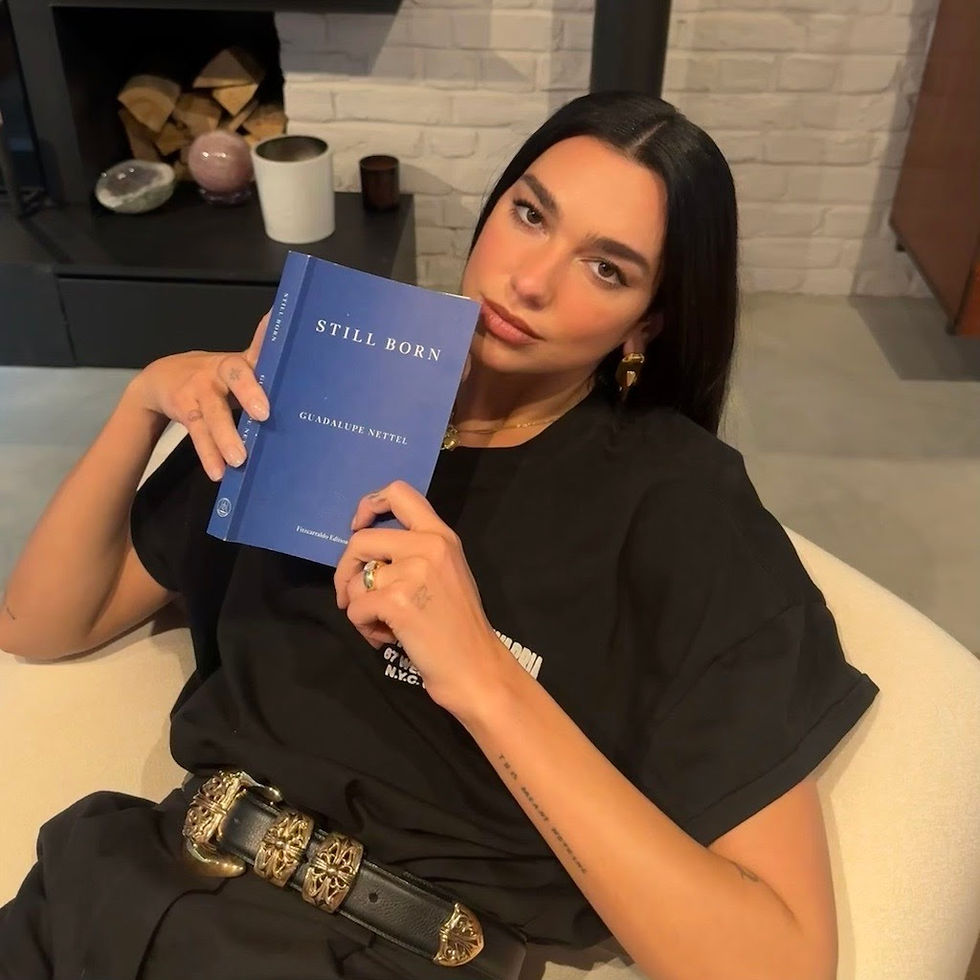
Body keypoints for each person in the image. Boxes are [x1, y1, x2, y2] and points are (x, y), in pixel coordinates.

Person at [0, 91, 877, 980]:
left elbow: (778, 961)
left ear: (647, 322)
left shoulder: (682, 507)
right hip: (119, 891)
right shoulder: (338, 372)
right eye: (530, 215)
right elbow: (40, 623)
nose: (530, 281)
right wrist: (144, 400)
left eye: (606, 268)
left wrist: (480, 672)